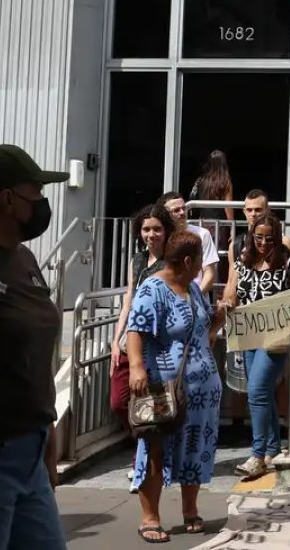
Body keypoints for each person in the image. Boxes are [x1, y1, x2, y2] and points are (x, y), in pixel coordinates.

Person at [0, 145, 68, 550]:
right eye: (38, 191)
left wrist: (48, 426)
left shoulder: (23, 257)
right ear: (8, 199)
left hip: (31, 453)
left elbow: (35, 346)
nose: (44, 202)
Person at [127, 230, 228, 543]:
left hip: (202, 389)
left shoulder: (194, 290)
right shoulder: (152, 288)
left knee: (195, 447)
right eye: (200, 260)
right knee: (156, 449)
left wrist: (220, 316)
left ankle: (189, 508)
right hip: (164, 387)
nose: (203, 266)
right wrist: (136, 367)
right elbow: (136, 329)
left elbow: (203, 328)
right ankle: (150, 516)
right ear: (187, 260)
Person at [223, 212, 290, 479]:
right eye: (259, 238)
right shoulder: (242, 261)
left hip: (275, 339)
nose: (264, 243)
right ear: (251, 238)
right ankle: (273, 448)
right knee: (263, 392)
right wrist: (228, 302)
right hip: (248, 335)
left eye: (269, 238)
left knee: (256, 391)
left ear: (277, 239)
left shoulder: (287, 261)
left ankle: (257, 455)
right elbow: (231, 291)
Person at [110, 205, 176, 488]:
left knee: (154, 407)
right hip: (129, 342)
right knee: (118, 402)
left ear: (167, 231)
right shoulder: (137, 260)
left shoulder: (171, 263)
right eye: (146, 229)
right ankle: (142, 448)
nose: (151, 235)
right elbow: (129, 298)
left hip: (155, 348)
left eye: (157, 229)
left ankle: (148, 461)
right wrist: (116, 338)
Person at [159, 191, 219, 295]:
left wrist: (195, 299)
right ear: (165, 215)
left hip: (196, 300)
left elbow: (209, 273)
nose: (182, 213)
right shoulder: (160, 237)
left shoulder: (202, 234)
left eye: (184, 208)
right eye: (176, 210)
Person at [188, 149, 234, 252]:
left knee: (203, 255)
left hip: (201, 223)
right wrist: (232, 227)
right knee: (218, 255)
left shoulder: (201, 180)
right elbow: (228, 207)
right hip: (219, 226)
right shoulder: (225, 181)